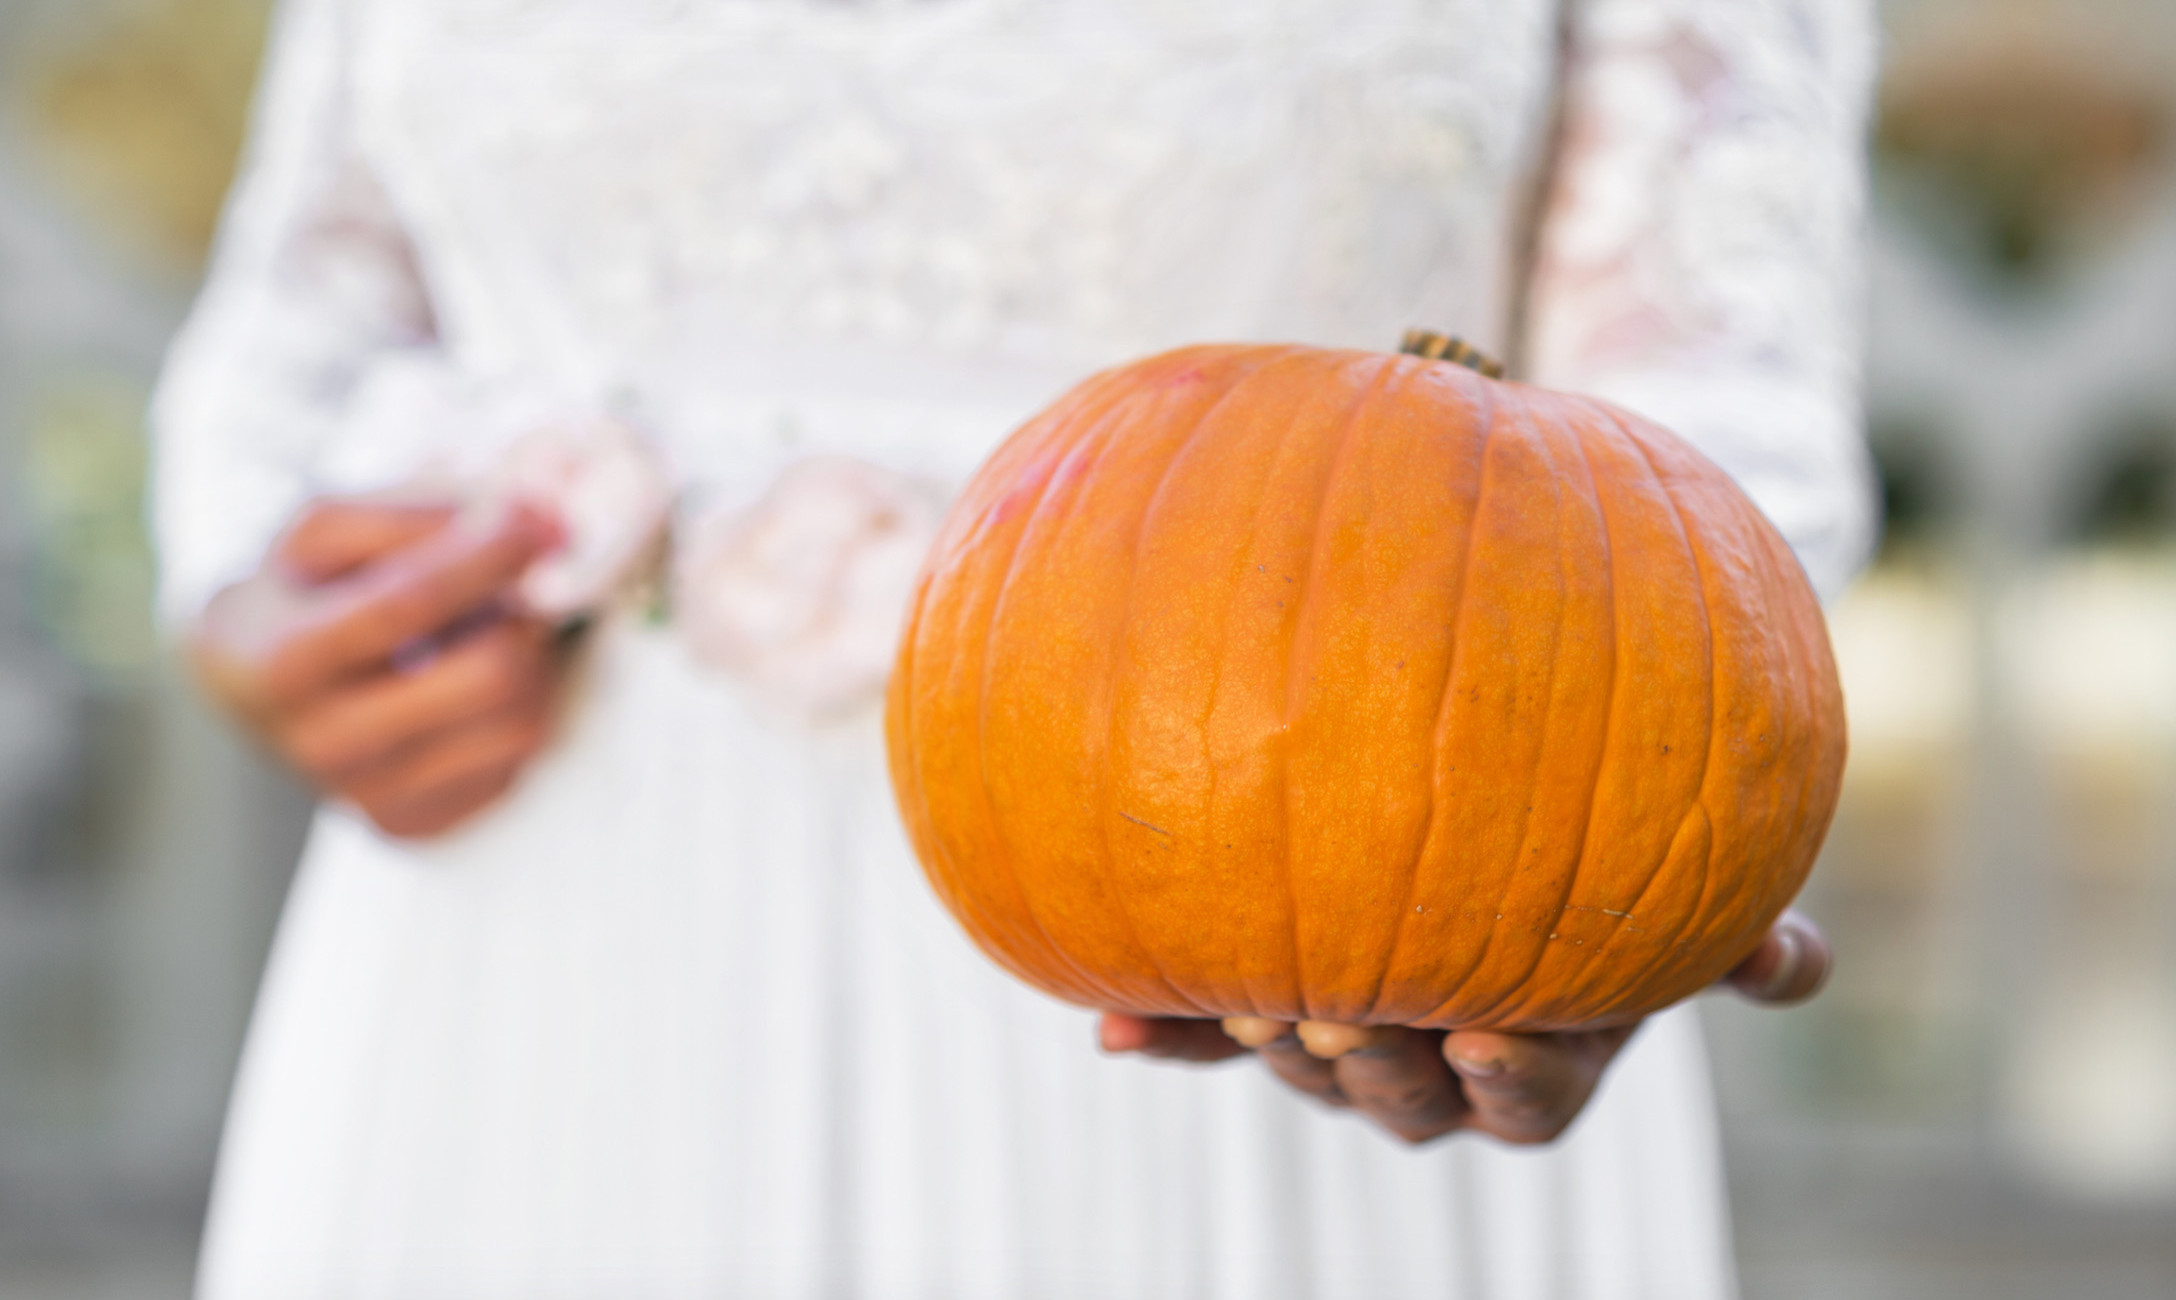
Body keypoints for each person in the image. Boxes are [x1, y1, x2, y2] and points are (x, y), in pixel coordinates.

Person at [156, 0, 1876, 1295]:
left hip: (1311, 897)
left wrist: (1624, 866)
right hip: (544, 934)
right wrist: (247, 583)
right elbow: (306, 295)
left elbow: (1714, 423)